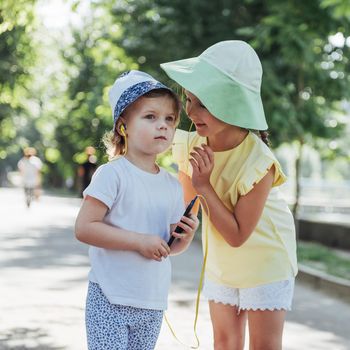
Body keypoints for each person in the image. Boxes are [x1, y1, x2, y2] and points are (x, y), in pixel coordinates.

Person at [161, 41, 298, 350]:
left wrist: (205, 186)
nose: (191, 112)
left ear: (233, 104)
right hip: (221, 262)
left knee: (263, 346)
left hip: (265, 260)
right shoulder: (190, 146)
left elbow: (237, 234)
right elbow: (186, 215)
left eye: (203, 104)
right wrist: (164, 245)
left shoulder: (259, 162)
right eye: (189, 100)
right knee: (224, 343)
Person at [74, 70, 199, 350]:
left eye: (169, 119)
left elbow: (169, 248)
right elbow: (84, 228)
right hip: (110, 296)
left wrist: (185, 236)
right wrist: (139, 241)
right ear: (123, 126)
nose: (163, 126)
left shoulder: (172, 185)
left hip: (151, 302)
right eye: (150, 117)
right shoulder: (112, 174)